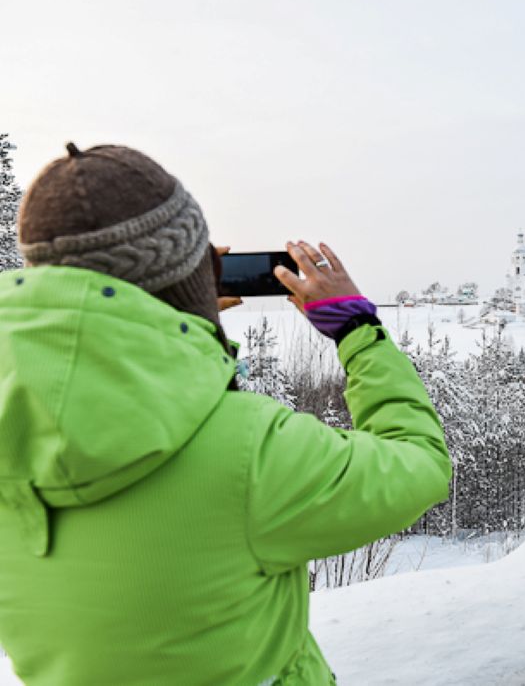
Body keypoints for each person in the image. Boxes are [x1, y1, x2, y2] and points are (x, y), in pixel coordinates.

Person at [0, 144, 452, 684]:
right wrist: (357, 332)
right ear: (188, 272)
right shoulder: (249, 455)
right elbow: (420, 463)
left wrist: (168, 323)